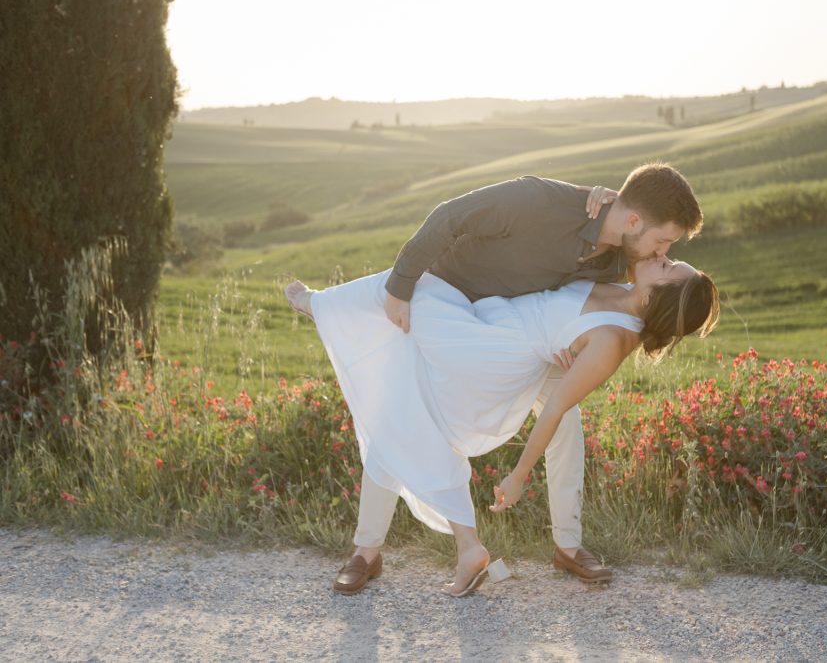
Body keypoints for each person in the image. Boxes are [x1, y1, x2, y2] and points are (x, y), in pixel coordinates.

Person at [288, 163, 706, 594]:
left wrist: (573, 345)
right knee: (402, 405)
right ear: (634, 221)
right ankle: (366, 551)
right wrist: (401, 285)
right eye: (663, 242)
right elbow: (449, 216)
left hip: (512, 343)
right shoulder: (539, 202)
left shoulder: (621, 260)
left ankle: (568, 545)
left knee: (565, 420)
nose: (661, 253)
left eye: (668, 249)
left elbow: (630, 312)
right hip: (457, 303)